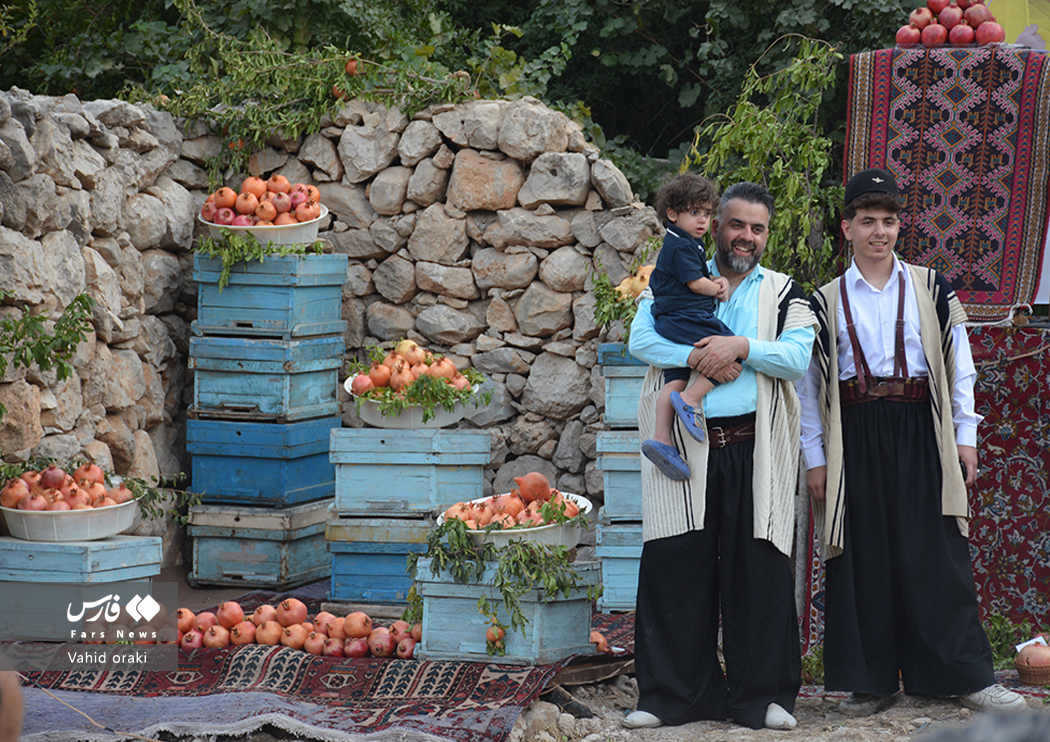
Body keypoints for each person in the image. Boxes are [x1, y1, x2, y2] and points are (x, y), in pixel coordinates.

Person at [798, 168, 1026, 716]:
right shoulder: (824, 301)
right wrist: (815, 458)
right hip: (854, 435)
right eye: (867, 221)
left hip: (921, 428)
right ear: (847, 227)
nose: (879, 232)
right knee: (863, 556)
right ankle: (872, 683)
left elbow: (959, 366)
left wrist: (965, 437)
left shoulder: (931, 287)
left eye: (889, 221)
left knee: (936, 553)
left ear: (900, 226)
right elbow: (811, 388)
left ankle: (961, 676)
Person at [624, 181, 816, 731]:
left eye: (757, 228)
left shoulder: (785, 293)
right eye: (736, 224)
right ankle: (670, 697)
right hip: (687, 445)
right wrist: (700, 355)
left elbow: (796, 357)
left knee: (760, 569)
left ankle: (762, 697)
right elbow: (641, 341)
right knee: (674, 564)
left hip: (755, 447)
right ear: (716, 226)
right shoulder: (671, 274)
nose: (746, 236)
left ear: (766, 234)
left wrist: (742, 347)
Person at [640, 173, 733, 481]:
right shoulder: (681, 245)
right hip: (685, 316)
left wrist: (712, 279)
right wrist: (717, 287)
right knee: (731, 349)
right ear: (672, 214)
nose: (702, 220)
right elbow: (695, 284)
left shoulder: (685, 242)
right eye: (694, 212)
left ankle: (661, 438)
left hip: (670, 320)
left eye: (707, 213)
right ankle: (691, 399)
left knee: (675, 377)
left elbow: (695, 276)